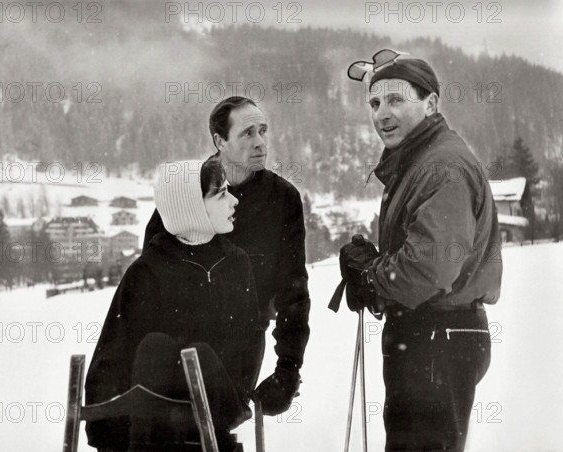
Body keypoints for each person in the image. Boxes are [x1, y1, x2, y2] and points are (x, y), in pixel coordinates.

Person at [336, 53, 503, 451]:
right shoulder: (420, 161)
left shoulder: (441, 165)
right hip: (430, 335)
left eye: (396, 100)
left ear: (430, 104)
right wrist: (375, 267)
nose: (382, 114)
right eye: (374, 103)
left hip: (437, 336)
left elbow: (430, 268)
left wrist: (371, 277)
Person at [143, 96, 310, 416]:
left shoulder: (283, 199)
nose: (261, 142)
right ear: (220, 141)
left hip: (243, 339)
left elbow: (294, 288)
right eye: (248, 133)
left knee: (219, 428)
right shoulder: (191, 191)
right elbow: (150, 275)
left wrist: (288, 368)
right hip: (176, 342)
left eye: (263, 131)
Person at [85, 159, 259, 452]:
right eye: (220, 194)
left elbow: (249, 343)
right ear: (189, 206)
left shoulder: (235, 264)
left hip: (219, 404)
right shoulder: (147, 272)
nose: (233, 200)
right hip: (156, 420)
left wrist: (239, 391)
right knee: (155, 346)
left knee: (199, 355)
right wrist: (104, 427)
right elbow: (114, 352)